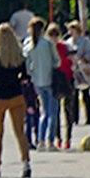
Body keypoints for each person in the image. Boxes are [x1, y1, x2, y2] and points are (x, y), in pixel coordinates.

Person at [0, 23, 33, 178]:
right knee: (20, 132)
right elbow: (25, 77)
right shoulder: (19, 55)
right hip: (17, 97)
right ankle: (26, 164)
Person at [24, 18, 61, 151]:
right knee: (53, 112)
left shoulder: (28, 45)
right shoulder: (48, 44)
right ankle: (50, 141)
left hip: (37, 82)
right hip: (50, 80)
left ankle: (40, 141)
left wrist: (34, 75)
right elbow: (57, 61)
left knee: (43, 112)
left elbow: (27, 67)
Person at [66, 20, 90, 128]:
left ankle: (88, 118)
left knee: (86, 94)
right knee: (74, 95)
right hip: (73, 70)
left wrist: (81, 58)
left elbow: (89, 54)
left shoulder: (85, 41)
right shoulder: (68, 42)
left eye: (72, 29)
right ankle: (75, 118)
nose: (71, 32)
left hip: (84, 70)